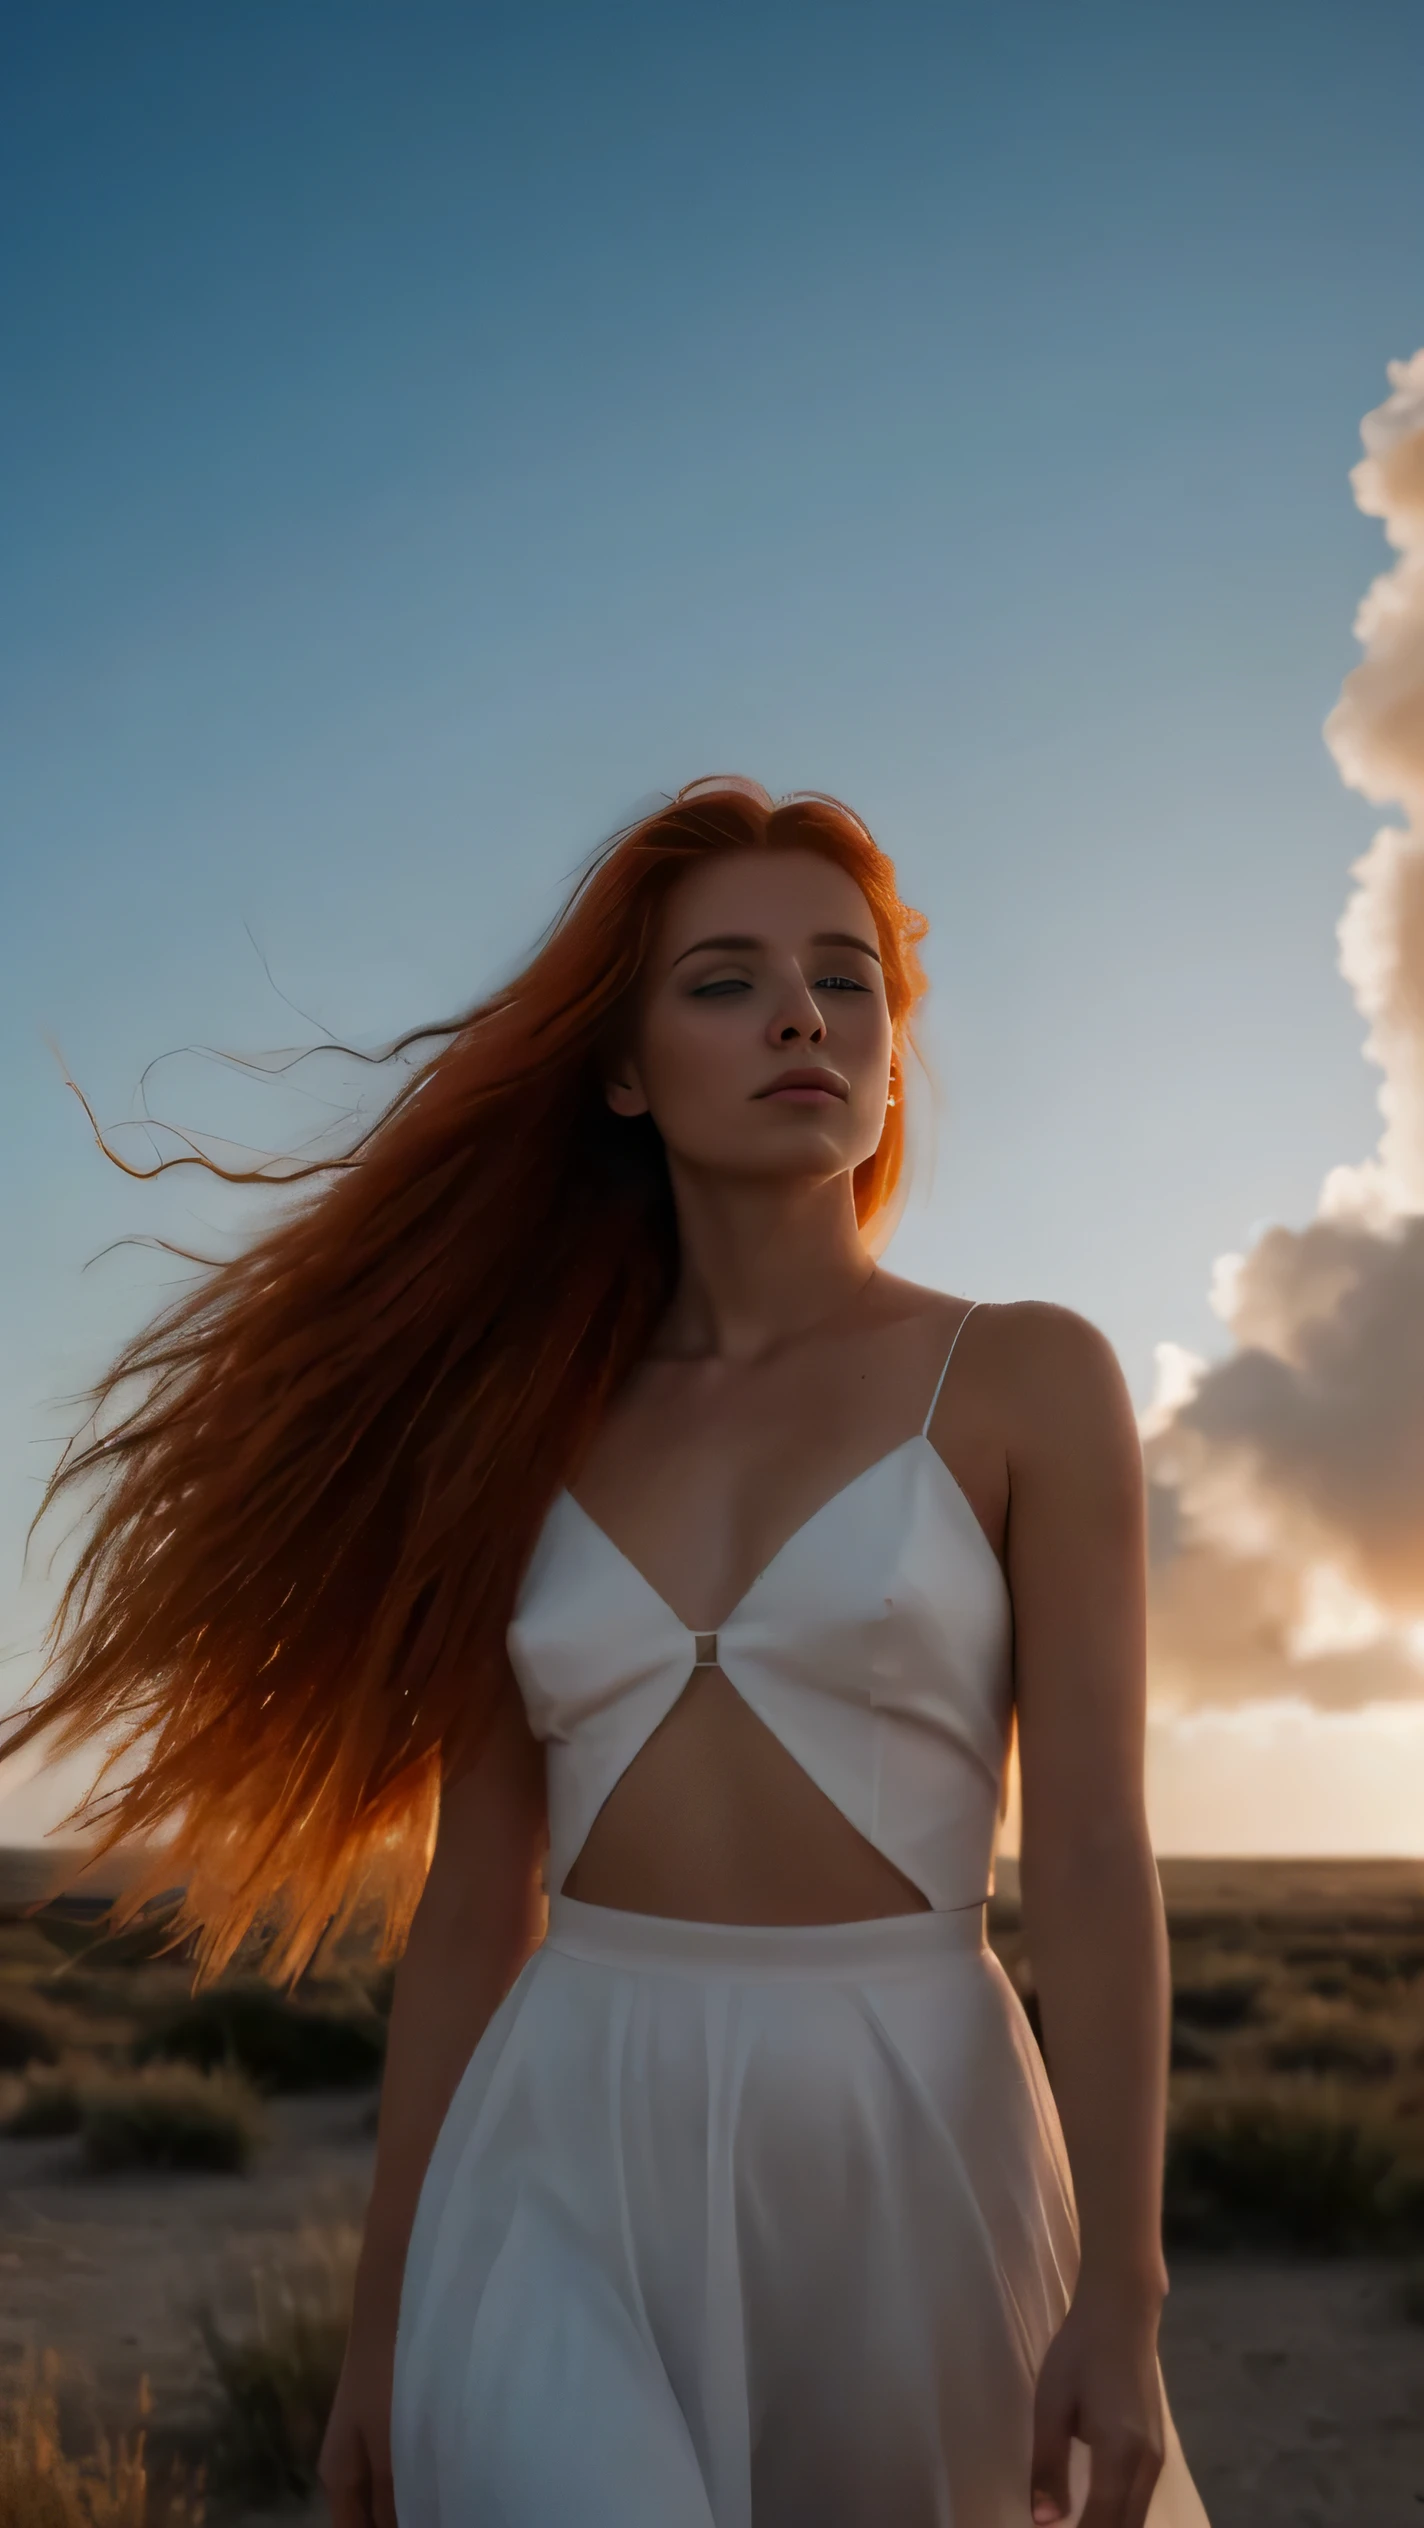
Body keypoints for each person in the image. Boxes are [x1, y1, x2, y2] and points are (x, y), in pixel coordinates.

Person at [7, 780, 1210, 2527]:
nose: (803, 1011)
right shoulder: (519, 1420)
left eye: (846, 978)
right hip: (567, 2142)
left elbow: (1096, 1852)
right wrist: (380, 2326)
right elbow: (479, 1896)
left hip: (909, 2140)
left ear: (887, 1048)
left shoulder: (1027, 1377)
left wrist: (1129, 2293)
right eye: (724, 979)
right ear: (625, 1070)